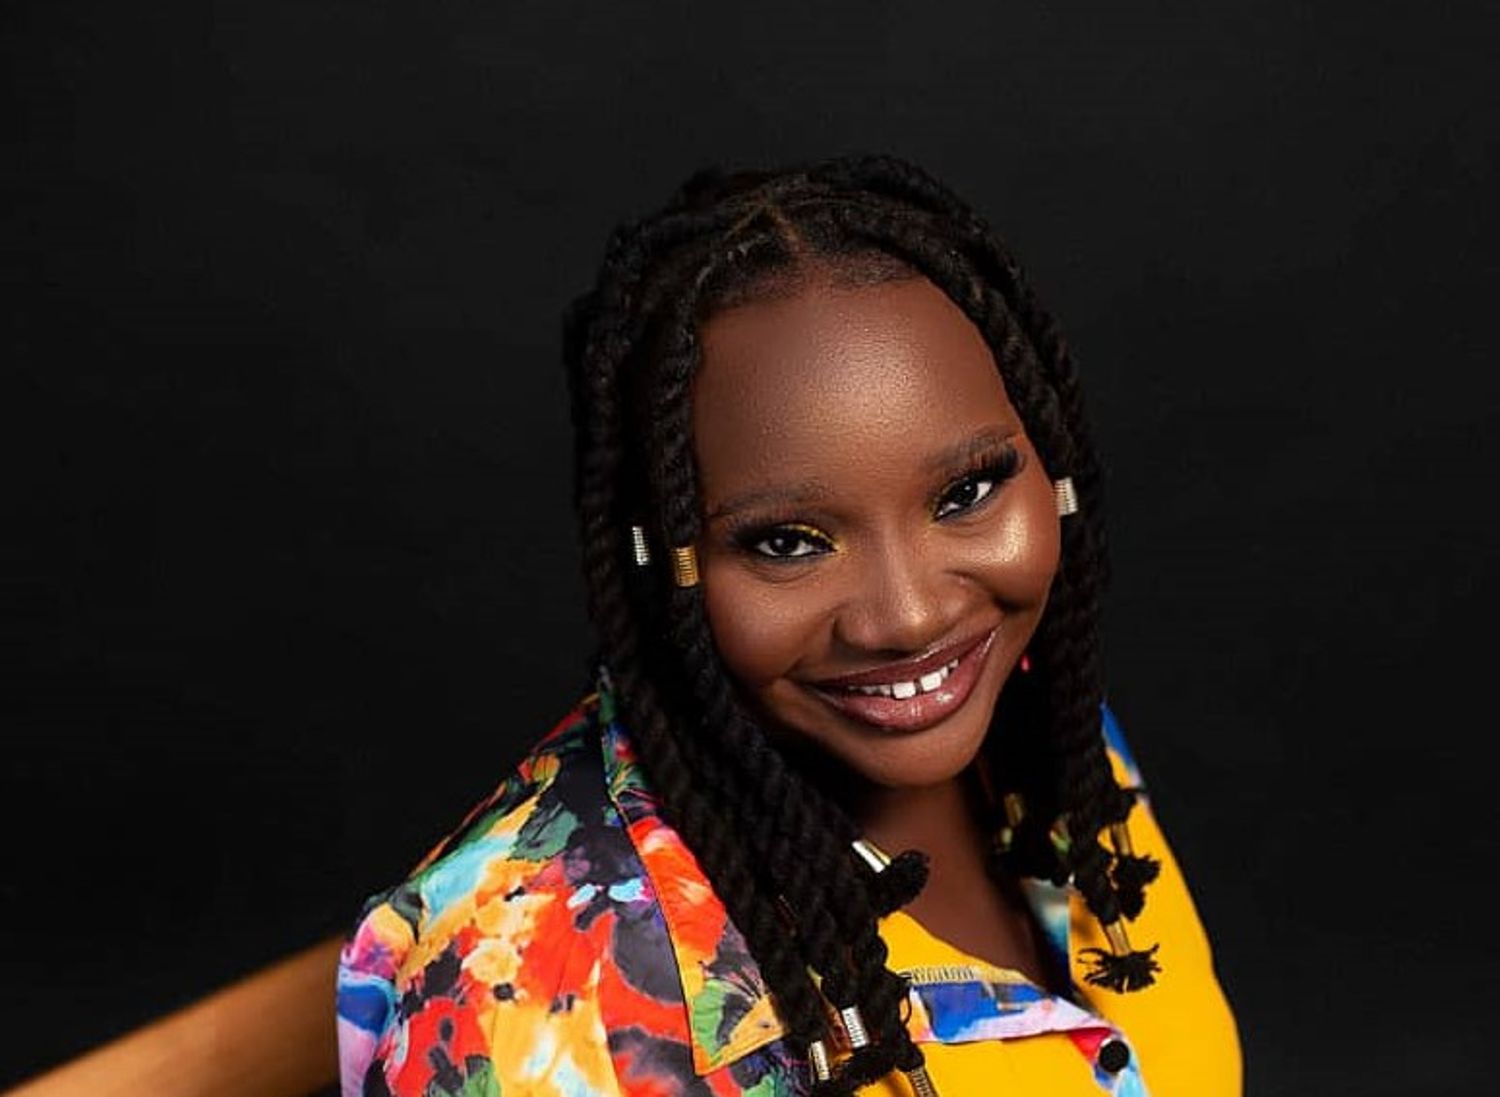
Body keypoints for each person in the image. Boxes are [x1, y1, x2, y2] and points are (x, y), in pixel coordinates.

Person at [335, 155, 1241, 1097]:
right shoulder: (535, 1005)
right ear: (661, 561)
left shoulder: (1046, 732)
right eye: (787, 543)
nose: (912, 616)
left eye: (968, 492)